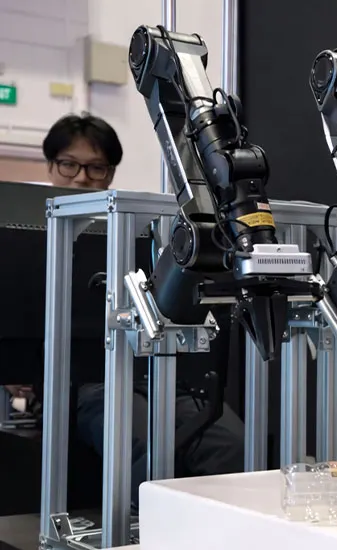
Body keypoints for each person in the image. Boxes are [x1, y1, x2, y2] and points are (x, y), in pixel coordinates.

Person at [42, 113, 246, 510]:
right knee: (148, 448)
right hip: (90, 384)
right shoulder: (27, 235)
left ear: (110, 173)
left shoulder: (142, 232)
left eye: (96, 167)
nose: (81, 177)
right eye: (69, 165)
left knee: (233, 445)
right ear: (51, 166)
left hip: (160, 374)